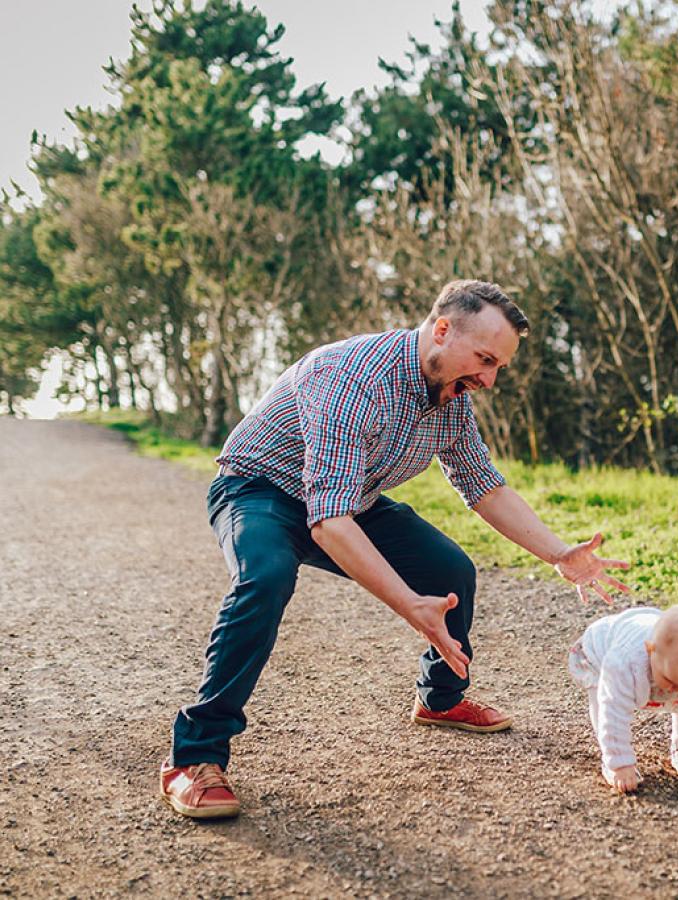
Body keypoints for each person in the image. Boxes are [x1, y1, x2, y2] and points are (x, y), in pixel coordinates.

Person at [160, 280, 630, 819]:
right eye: (484, 359)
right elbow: (328, 524)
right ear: (443, 329)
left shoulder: (450, 397)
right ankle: (192, 756)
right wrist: (410, 605)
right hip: (259, 490)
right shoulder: (349, 377)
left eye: (499, 366)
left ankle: (441, 699)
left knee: (450, 569)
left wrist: (558, 554)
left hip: (348, 499)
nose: (489, 379)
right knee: (265, 577)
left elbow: (484, 485)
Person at [568, 604, 678, 794]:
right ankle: (611, 762)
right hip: (598, 652)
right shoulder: (624, 662)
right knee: (604, 700)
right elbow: (613, 710)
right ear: (650, 650)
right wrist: (620, 763)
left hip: (646, 638)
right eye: (671, 681)